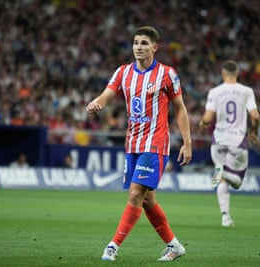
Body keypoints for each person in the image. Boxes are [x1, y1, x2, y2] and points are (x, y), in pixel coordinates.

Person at [86, 26, 192, 262]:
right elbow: (107, 94)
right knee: (146, 199)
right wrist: (97, 103)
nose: (139, 47)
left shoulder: (167, 73)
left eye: (144, 43)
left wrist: (187, 141)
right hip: (132, 143)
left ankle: (112, 246)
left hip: (155, 144)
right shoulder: (123, 72)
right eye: (135, 43)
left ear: (155, 47)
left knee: (135, 194)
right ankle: (174, 246)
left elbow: (180, 109)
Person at [199, 60, 260, 227]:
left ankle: (225, 216)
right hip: (237, 142)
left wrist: (203, 123)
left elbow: (208, 117)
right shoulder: (246, 91)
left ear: (222, 74)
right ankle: (223, 174)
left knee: (222, 180)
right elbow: (255, 116)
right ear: (237, 73)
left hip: (218, 141)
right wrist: (254, 133)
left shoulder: (215, 91)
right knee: (237, 182)